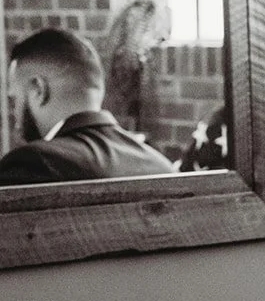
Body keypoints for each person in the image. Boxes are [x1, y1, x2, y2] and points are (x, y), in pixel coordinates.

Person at [0, 26, 173, 185]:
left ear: (38, 89)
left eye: (15, 98)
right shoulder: (162, 167)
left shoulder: (31, 164)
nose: (14, 112)